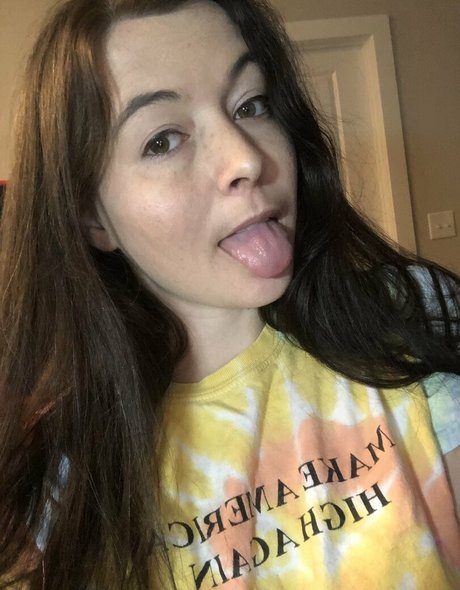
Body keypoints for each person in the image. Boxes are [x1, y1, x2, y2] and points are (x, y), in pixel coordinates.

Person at [0, 0, 459, 588]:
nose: (247, 158)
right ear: (93, 217)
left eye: (251, 105)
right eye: (163, 140)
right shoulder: (64, 479)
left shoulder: (411, 317)